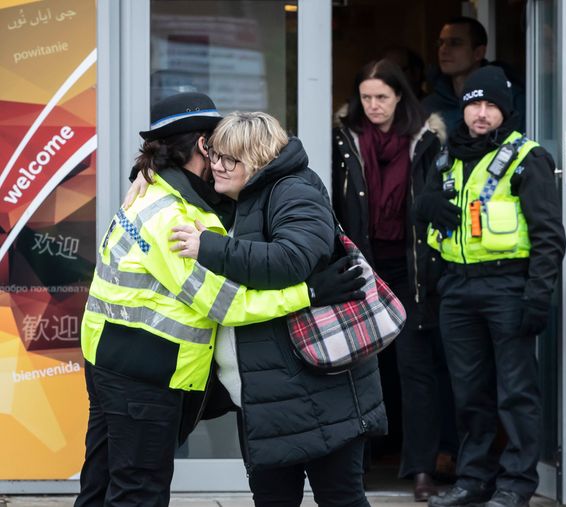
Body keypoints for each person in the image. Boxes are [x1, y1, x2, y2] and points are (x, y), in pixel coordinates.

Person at [74, 93, 364, 507]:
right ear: (201, 147)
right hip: (144, 375)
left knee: (101, 486)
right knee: (137, 492)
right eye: (218, 147)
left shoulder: (158, 192)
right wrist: (309, 292)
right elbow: (225, 304)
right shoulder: (174, 218)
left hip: (113, 359)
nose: (222, 160)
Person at [156, 111, 387, 506]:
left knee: (340, 498)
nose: (217, 166)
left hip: (315, 390)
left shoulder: (293, 190)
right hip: (269, 395)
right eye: (214, 156)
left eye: (231, 159)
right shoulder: (243, 196)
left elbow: (291, 258)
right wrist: (144, 177)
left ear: (259, 157)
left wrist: (208, 246)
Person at [416, 66, 566, 507]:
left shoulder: (527, 157)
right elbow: (425, 219)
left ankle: (517, 484)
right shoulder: (446, 156)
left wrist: (538, 296)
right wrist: (423, 206)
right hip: (458, 290)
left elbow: (548, 236)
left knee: (516, 393)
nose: (480, 114)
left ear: (505, 110)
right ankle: (473, 480)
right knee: (469, 394)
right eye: (473, 104)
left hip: (508, 287)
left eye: (490, 105)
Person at [331, 58, 458, 501]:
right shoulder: (344, 138)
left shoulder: (426, 139)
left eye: (381, 97)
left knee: (415, 370)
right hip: (360, 268)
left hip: (413, 271)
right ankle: (355, 467)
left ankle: (421, 468)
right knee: (358, 370)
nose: (373, 106)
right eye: (365, 97)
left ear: (400, 96)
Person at [422, 17, 524, 134]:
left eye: (455, 43)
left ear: (478, 53)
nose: (443, 50)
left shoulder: (512, 100)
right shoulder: (429, 105)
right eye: (440, 43)